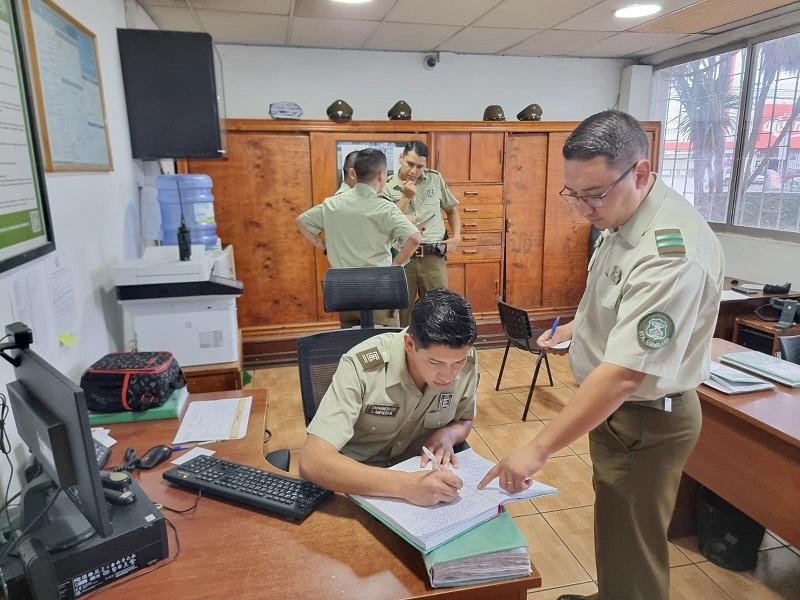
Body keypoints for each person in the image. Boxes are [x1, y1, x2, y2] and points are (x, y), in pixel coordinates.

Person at [478, 109, 724, 600]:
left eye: (594, 195)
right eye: (574, 193)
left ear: (641, 172)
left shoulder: (669, 254)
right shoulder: (624, 211)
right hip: (620, 418)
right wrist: (575, 329)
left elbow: (624, 376)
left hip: (645, 418)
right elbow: (614, 303)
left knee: (633, 539)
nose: (583, 208)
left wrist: (537, 448)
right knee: (617, 527)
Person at [299, 288, 479, 506]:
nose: (449, 375)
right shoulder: (361, 366)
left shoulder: (466, 360)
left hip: (421, 480)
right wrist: (404, 486)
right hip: (356, 484)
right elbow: (312, 461)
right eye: (435, 362)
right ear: (410, 345)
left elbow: (465, 419)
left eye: (457, 363)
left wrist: (449, 434)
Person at [296, 148, 422, 327]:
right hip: (378, 291)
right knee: (383, 346)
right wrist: (395, 266)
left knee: (352, 343)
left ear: (355, 173)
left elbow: (302, 222)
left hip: (345, 293)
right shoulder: (385, 208)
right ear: (381, 175)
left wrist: (325, 246)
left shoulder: (332, 204)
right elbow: (415, 238)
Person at [380, 141, 461, 326]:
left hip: (433, 257)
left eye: (419, 166)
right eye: (410, 164)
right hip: (402, 259)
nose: (413, 171)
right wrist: (405, 197)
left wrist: (456, 237)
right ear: (401, 158)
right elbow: (387, 223)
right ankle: (402, 352)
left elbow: (451, 210)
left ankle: (434, 353)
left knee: (439, 311)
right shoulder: (386, 185)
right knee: (400, 313)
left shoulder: (434, 179)